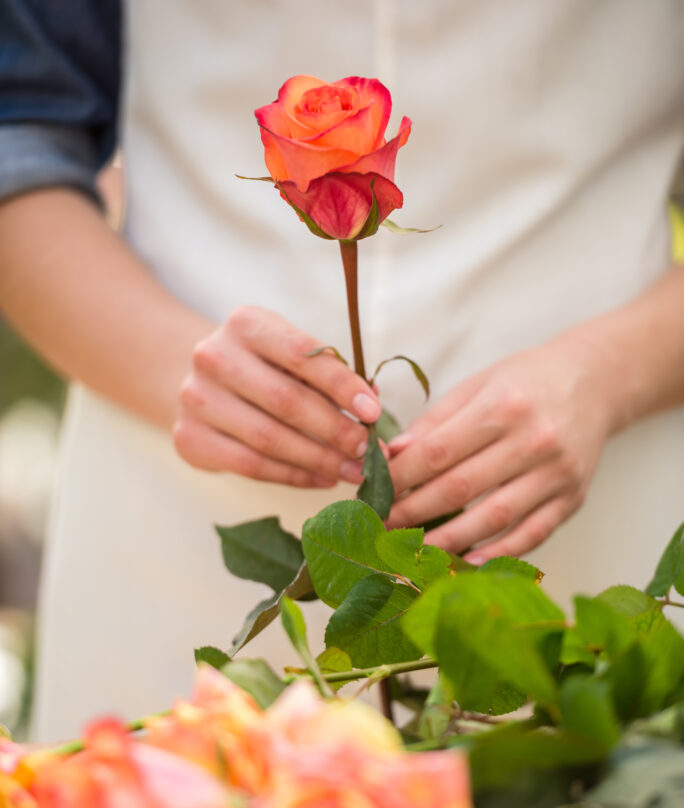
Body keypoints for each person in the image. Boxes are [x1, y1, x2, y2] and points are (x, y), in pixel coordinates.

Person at [1, 0, 683, 742]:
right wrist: (164, 361)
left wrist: (611, 374)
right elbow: (18, 127)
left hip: (597, 504)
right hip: (166, 519)